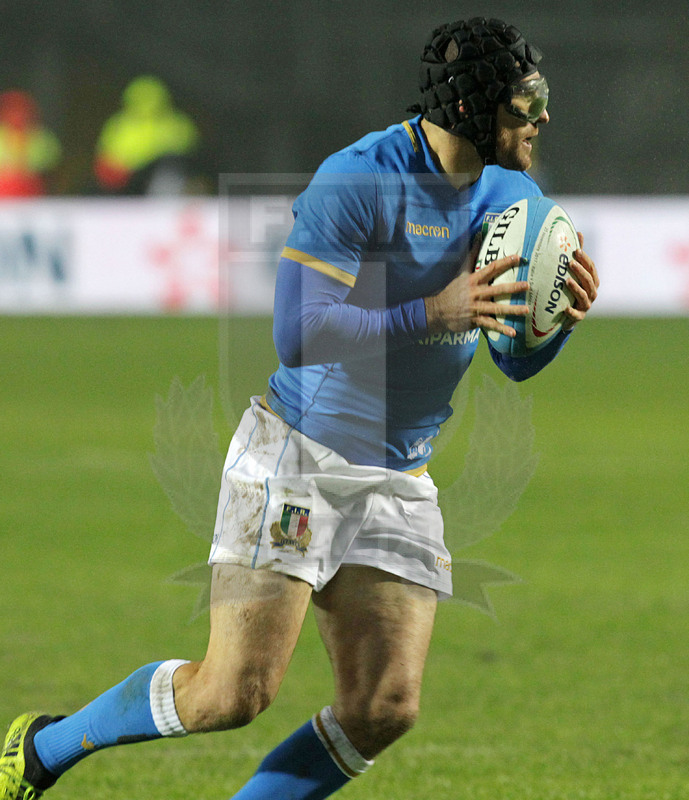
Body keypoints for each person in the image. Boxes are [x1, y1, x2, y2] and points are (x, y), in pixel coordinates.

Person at [0, 17, 599, 800]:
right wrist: (433, 312)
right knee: (231, 694)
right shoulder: (358, 179)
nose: (542, 117)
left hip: (398, 474)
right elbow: (298, 332)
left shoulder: (515, 194)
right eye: (528, 102)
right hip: (298, 458)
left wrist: (552, 325)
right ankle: (43, 748)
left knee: (383, 708)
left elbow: (512, 360)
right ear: (473, 108)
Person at [93, 75, 202, 195]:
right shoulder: (119, 124)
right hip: (126, 180)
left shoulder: (177, 124)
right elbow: (106, 161)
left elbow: (191, 160)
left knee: (170, 166)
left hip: (160, 181)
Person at [0, 90, 61, 197]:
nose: (17, 115)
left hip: (32, 192)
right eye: (12, 110)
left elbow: (53, 169)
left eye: (21, 110)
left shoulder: (43, 137)